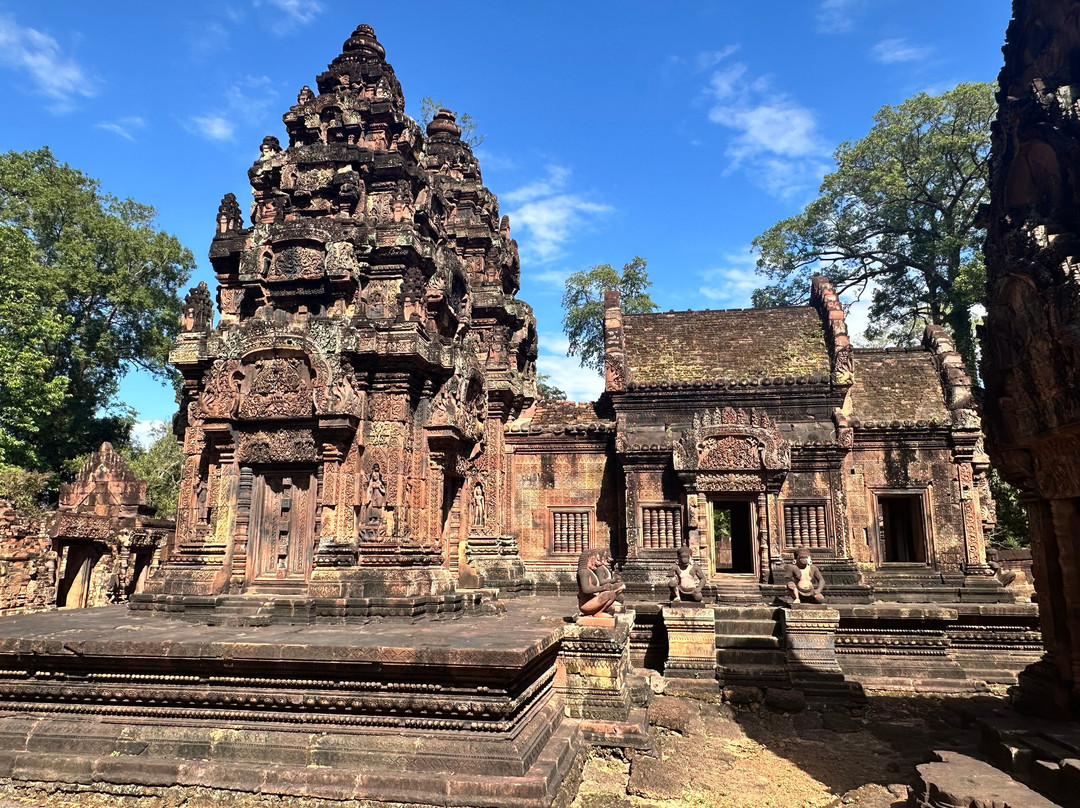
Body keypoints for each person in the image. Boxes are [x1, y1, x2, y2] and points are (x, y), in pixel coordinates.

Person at [577, 549, 624, 616]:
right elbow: (586, 589)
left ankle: (599, 611)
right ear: (589, 559)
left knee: (613, 595)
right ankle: (598, 613)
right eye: (596, 560)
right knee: (610, 595)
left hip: (593, 600)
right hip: (586, 605)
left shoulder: (589, 571)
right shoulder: (583, 572)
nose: (597, 563)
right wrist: (603, 588)